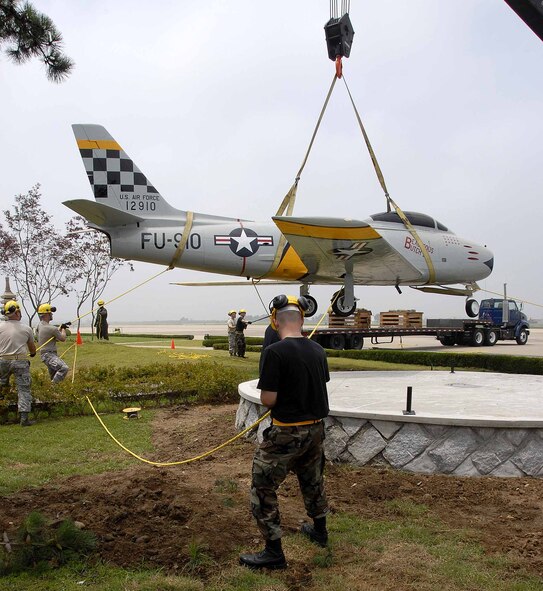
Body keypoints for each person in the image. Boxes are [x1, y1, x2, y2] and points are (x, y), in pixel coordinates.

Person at [239, 295, 330, 570]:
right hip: (315, 430)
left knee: (263, 486)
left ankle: (274, 552)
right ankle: (320, 531)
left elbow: (268, 399)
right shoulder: (318, 350)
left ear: (274, 320)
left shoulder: (275, 352)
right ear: (302, 319)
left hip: (287, 433)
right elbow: (317, 384)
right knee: (312, 480)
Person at [0, 300, 37, 426]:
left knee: (1, 387)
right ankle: (24, 419)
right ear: (17, 312)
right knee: (24, 390)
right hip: (21, 362)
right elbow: (32, 349)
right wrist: (32, 353)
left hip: (2, 361)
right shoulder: (26, 328)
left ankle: (3, 415)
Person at [36, 303, 69, 384]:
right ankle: (52, 386)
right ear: (46, 314)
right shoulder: (52, 329)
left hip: (44, 355)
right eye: (50, 313)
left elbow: (50, 337)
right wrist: (63, 329)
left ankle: (54, 393)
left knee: (54, 375)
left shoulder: (39, 325)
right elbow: (63, 338)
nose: (51, 314)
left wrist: (58, 330)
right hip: (49, 355)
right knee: (64, 368)